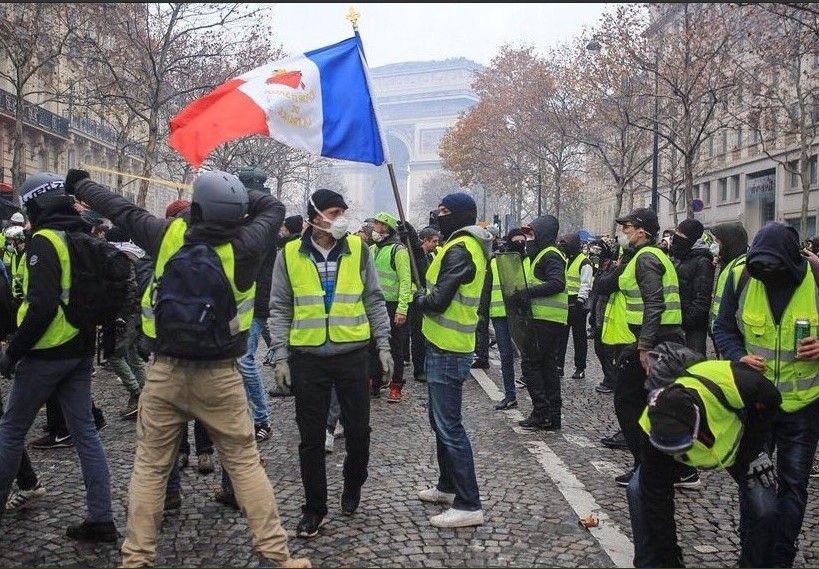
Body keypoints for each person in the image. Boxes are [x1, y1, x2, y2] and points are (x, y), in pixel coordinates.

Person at [70, 168, 307, 568]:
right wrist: (243, 193)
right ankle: (276, 555)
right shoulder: (248, 243)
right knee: (245, 465)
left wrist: (80, 184)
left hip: (164, 371)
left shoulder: (165, 234)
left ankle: (137, 558)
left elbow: (118, 206)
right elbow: (274, 205)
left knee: (149, 468)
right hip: (220, 375)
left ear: (196, 207)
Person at [268, 188, 391, 538]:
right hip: (308, 358)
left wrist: (383, 345)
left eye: (343, 212)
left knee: (358, 433)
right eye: (336, 212)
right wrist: (280, 356)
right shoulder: (289, 253)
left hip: (352, 355)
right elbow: (280, 307)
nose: (342, 219)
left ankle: (353, 484)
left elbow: (374, 299)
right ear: (315, 214)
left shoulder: (358, 249)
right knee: (309, 439)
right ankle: (314, 508)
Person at [0, 172, 116, 541]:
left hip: (45, 352)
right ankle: (101, 518)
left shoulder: (45, 240)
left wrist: (13, 351)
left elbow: (42, 305)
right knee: (85, 434)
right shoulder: (79, 233)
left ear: (36, 203)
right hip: (80, 349)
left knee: (11, 429)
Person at [713, 221, 819, 567]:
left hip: (802, 407)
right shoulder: (740, 275)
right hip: (755, 405)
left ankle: (779, 558)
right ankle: (752, 557)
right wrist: (735, 355)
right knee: (754, 486)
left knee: (793, 487)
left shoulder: (816, 277)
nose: (768, 275)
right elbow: (723, 327)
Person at [628, 342, 780, 567]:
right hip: (668, 453)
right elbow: (657, 501)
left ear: (695, 424)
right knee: (639, 491)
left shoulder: (736, 381)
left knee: (764, 507)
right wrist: (669, 559)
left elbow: (772, 399)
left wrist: (754, 451)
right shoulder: (650, 427)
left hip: (740, 446)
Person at [598, 207, 690, 488]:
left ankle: (648, 467)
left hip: (656, 341)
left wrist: (644, 346)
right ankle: (661, 467)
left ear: (642, 231)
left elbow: (654, 303)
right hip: (656, 339)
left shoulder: (647, 258)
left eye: (628, 227)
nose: (624, 231)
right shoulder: (644, 256)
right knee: (653, 404)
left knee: (628, 401)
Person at [414, 192, 490, 528]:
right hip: (443, 344)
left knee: (449, 426)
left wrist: (418, 298)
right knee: (439, 421)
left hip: (448, 347)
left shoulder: (462, 248)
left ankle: (469, 503)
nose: (438, 215)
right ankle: (447, 487)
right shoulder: (460, 244)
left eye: (444, 212)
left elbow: (437, 300)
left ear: (460, 215)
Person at [514, 215, 567, 431]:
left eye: (532, 233)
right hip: (546, 320)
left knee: (532, 364)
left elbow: (557, 283)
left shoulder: (550, 255)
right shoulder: (542, 255)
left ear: (543, 233)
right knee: (547, 367)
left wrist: (527, 292)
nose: (528, 238)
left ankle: (541, 412)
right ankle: (551, 416)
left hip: (544, 320)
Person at [234, 167, 273, 442]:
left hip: (254, 303)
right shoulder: (255, 222)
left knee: (245, 360)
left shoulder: (260, 227)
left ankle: (261, 418)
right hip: (237, 303)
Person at [104, 226, 148, 420]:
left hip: (128, 313)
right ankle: (144, 398)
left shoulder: (121, 257)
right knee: (134, 355)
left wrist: (121, 313)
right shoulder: (137, 254)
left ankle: (137, 392)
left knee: (114, 355)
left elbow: (129, 287)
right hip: (139, 312)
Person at [368, 211, 412, 402]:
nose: (373, 228)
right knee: (371, 346)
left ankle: (396, 385)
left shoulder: (398, 250)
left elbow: (405, 281)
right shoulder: (372, 249)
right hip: (374, 306)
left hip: (393, 306)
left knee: (395, 347)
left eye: (376, 224)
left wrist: (402, 308)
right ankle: (374, 382)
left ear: (386, 228)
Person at [488, 230, 521, 411]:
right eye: (516, 240)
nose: (519, 243)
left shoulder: (525, 259)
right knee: (506, 356)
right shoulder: (495, 261)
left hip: (519, 313)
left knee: (528, 358)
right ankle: (510, 395)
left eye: (522, 241)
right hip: (500, 313)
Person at [669, 219, 714, 356]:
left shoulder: (702, 262)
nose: (675, 239)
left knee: (694, 361)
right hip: (678, 321)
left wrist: (688, 320)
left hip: (694, 327)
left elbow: (702, 298)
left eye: (680, 235)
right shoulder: (680, 258)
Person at [556, 232, 592, 379]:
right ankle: (559, 366)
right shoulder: (565, 260)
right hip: (564, 303)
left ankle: (580, 368)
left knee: (579, 338)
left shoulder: (585, 262)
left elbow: (586, 284)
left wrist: (580, 301)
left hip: (577, 305)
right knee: (561, 338)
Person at [409, 227, 441, 383]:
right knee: (418, 337)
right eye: (433, 241)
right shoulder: (417, 255)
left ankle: (426, 366)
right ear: (425, 240)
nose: (436, 244)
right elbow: (421, 272)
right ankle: (419, 369)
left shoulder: (432, 255)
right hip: (417, 300)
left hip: (429, 299)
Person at [709, 221, 748, 346]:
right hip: (723, 333)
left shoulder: (742, 266)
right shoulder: (727, 263)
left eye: (718, 242)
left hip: (733, 336)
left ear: (730, 242)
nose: (715, 245)